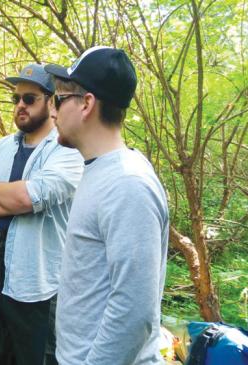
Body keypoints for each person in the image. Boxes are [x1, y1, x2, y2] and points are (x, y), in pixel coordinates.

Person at [44, 46, 169, 364]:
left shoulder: (127, 184)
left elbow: (134, 311)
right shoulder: (101, 170)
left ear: (86, 104)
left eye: (59, 100)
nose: (53, 112)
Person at [0, 64, 83, 365]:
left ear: (52, 102)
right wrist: (11, 200)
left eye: (29, 99)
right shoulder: (2, 146)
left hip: (36, 283)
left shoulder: (67, 150)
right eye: (15, 99)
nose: (19, 106)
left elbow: (28, 197)